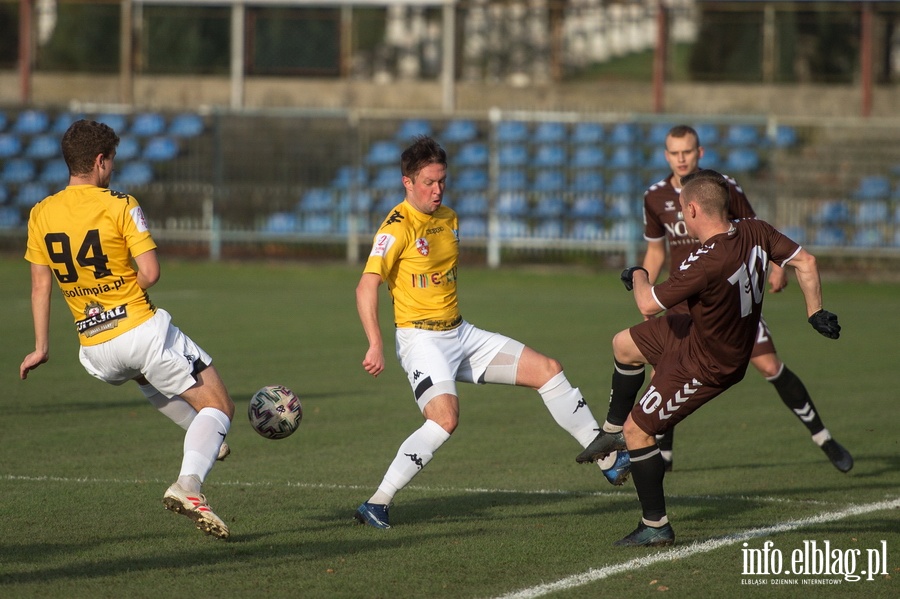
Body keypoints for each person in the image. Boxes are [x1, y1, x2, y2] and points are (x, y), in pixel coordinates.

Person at [353, 135, 628, 529]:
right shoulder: (396, 227)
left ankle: (607, 458)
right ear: (407, 182)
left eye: (442, 180)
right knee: (445, 419)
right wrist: (375, 343)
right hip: (421, 340)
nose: (438, 189)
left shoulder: (448, 217)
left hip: (460, 335)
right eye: (429, 182)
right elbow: (366, 285)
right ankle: (378, 502)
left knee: (548, 370)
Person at [577, 170, 841, 546]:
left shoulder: (705, 261)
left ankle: (655, 526)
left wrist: (637, 273)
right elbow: (807, 262)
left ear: (694, 209)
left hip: (709, 364)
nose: (682, 218)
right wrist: (815, 312)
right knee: (624, 344)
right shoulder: (755, 229)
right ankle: (610, 432)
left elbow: (646, 303)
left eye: (684, 209)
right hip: (694, 333)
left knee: (641, 431)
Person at [584, 125, 851, 473]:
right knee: (663, 375)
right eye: (674, 153)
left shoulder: (722, 188)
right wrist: (647, 286)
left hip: (732, 299)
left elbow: (753, 231)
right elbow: (655, 252)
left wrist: (777, 266)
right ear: (666, 156)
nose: (681, 158)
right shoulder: (655, 197)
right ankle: (658, 458)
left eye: (687, 152)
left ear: (700, 153)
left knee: (770, 366)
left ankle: (823, 437)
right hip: (683, 299)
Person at [19, 119, 235, 539]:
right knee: (220, 407)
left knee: (146, 375)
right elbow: (150, 273)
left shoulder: (40, 213)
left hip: (95, 350)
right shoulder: (120, 204)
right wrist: (119, 295)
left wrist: (41, 346)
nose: (112, 169)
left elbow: (40, 285)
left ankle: (203, 437)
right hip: (139, 330)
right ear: (101, 161)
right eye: (111, 161)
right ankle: (189, 485)